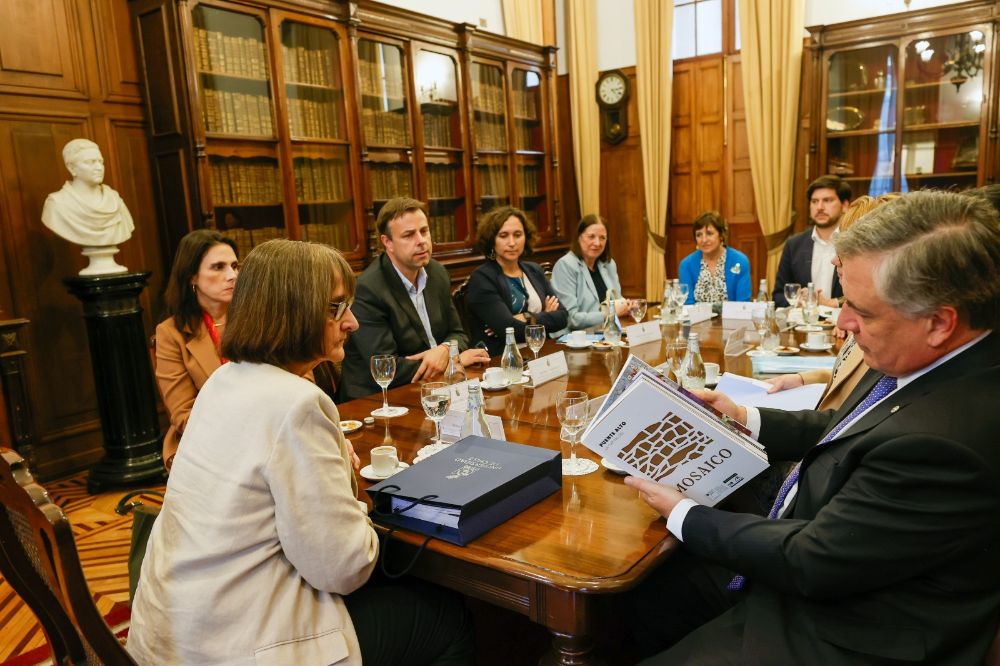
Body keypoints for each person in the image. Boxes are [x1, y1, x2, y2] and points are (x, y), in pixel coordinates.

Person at [626, 191, 1000, 664]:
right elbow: (843, 427)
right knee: (646, 597)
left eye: (860, 311)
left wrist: (684, 514)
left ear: (939, 323)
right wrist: (742, 416)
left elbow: (811, 561)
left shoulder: (945, 442)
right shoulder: (935, 361)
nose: (842, 322)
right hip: (820, 569)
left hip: (840, 630)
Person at [128, 239, 474, 665]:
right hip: (240, 644)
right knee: (447, 615)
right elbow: (344, 569)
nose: (352, 323)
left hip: (173, 634)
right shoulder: (297, 404)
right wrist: (347, 491)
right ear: (290, 313)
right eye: (335, 309)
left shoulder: (223, 381)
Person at [339, 197, 489, 401]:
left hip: (435, 388)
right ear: (387, 243)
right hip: (379, 400)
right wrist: (455, 360)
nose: (421, 241)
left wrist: (444, 350)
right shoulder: (368, 289)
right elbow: (386, 368)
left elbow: (458, 335)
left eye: (424, 231)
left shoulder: (436, 273)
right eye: (409, 235)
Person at [764, 193, 899, 411]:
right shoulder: (795, 244)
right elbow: (846, 378)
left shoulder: (892, 328)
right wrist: (801, 379)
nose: (835, 260)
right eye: (815, 201)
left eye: (848, 251)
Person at [155, 229, 239, 469]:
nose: (232, 275)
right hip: (206, 443)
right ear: (192, 277)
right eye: (218, 267)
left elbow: (299, 376)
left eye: (234, 266)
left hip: (271, 430)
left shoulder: (257, 318)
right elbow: (183, 413)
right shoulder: (171, 333)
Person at [466, 206, 568, 355]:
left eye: (518, 234)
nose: (512, 242)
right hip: (502, 360)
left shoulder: (534, 270)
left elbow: (563, 317)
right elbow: (508, 330)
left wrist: (527, 317)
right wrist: (544, 315)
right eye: (503, 235)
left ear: (526, 237)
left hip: (540, 354)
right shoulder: (482, 278)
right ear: (492, 240)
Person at [41, 139, 135, 273]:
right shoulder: (57, 204)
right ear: (71, 168)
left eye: (100, 161)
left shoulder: (115, 199)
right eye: (90, 162)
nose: (99, 167)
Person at [772, 174, 851, 307]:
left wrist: (833, 303)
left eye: (827, 200)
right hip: (804, 324)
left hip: (843, 324)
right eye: (814, 201)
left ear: (844, 205)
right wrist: (798, 300)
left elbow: (867, 296)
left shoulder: (854, 243)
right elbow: (778, 295)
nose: (819, 207)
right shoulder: (794, 244)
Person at [550, 214, 632, 332]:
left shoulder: (609, 264)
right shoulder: (565, 266)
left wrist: (627, 306)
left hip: (608, 334)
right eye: (591, 237)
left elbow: (617, 300)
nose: (597, 243)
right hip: (577, 340)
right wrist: (609, 313)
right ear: (579, 237)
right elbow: (571, 319)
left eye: (602, 238)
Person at [677, 211, 751, 305]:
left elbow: (743, 304)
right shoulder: (686, 265)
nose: (704, 240)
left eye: (709, 233)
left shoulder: (740, 261)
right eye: (699, 235)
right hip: (696, 319)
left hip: (731, 319)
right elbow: (687, 304)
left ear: (721, 235)